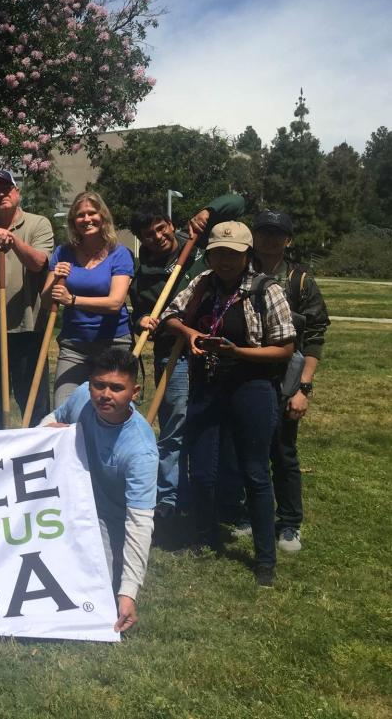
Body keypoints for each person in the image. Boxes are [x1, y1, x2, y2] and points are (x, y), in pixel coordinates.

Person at [161, 221, 295, 587]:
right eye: (218, 252)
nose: (224, 261)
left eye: (233, 254)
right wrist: (191, 334)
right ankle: (205, 537)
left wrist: (240, 351)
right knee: (202, 470)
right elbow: (169, 314)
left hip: (251, 386)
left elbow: (285, 347)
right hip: (207, 385)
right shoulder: (203, 283)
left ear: (247, 255)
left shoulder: (265, 290)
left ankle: (265, 560)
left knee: (254, 473)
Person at [128, 193, 245, 518]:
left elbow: (237, 202)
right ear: (141, 240)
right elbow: (137, 315)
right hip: (174, 354)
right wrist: (142, 321)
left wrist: (207, 212)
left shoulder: (198, 244)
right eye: (149, 234)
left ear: (171, 224)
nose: (158, 236)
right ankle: (171, 501)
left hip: (219, 349)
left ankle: (224, 498)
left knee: (220, 423)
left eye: (161, 228)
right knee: (175, 428)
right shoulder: (145, 273)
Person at [43, 348, 158, 633]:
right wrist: (47, 431)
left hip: (109, 519)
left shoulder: (141, 452)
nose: (105, 394)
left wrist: (128, 592)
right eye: (99, 385)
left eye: (117, 388)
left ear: (135, 391)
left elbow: (140, 522)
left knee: (92, 596)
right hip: (68, 501)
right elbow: (50, 420)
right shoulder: (82, 396)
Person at [252, 210, 329, 553]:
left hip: (286, 379)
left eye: (276, 233)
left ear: (288, 240)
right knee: (246, 448)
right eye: (263, 232)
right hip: (247, 374)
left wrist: (303, 388)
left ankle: (289, 524)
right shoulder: (239, 270)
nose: (269, 239)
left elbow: (314, 334)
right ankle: (250, 514)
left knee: (283, 453)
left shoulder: (300, 281)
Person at [0, 169, 54, 429]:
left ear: (17, 192)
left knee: (33, 401)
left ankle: (36, 456)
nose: (2, 193)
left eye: (7, 188)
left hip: (28, 326)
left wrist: (12, 239)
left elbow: (39, 262)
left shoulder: (39, 223)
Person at [44, 191, 134, 409]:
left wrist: (72, 300)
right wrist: (56, 277)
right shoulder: (63, 253)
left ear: (102, 216)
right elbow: (47, 300)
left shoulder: (119, 254)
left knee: (110, 410)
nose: (86, 219)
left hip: (114, 343)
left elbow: (115, 303)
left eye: (91, 213)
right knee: (65, 408)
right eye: (80, 215)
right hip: (74, 345)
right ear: (73, 222)